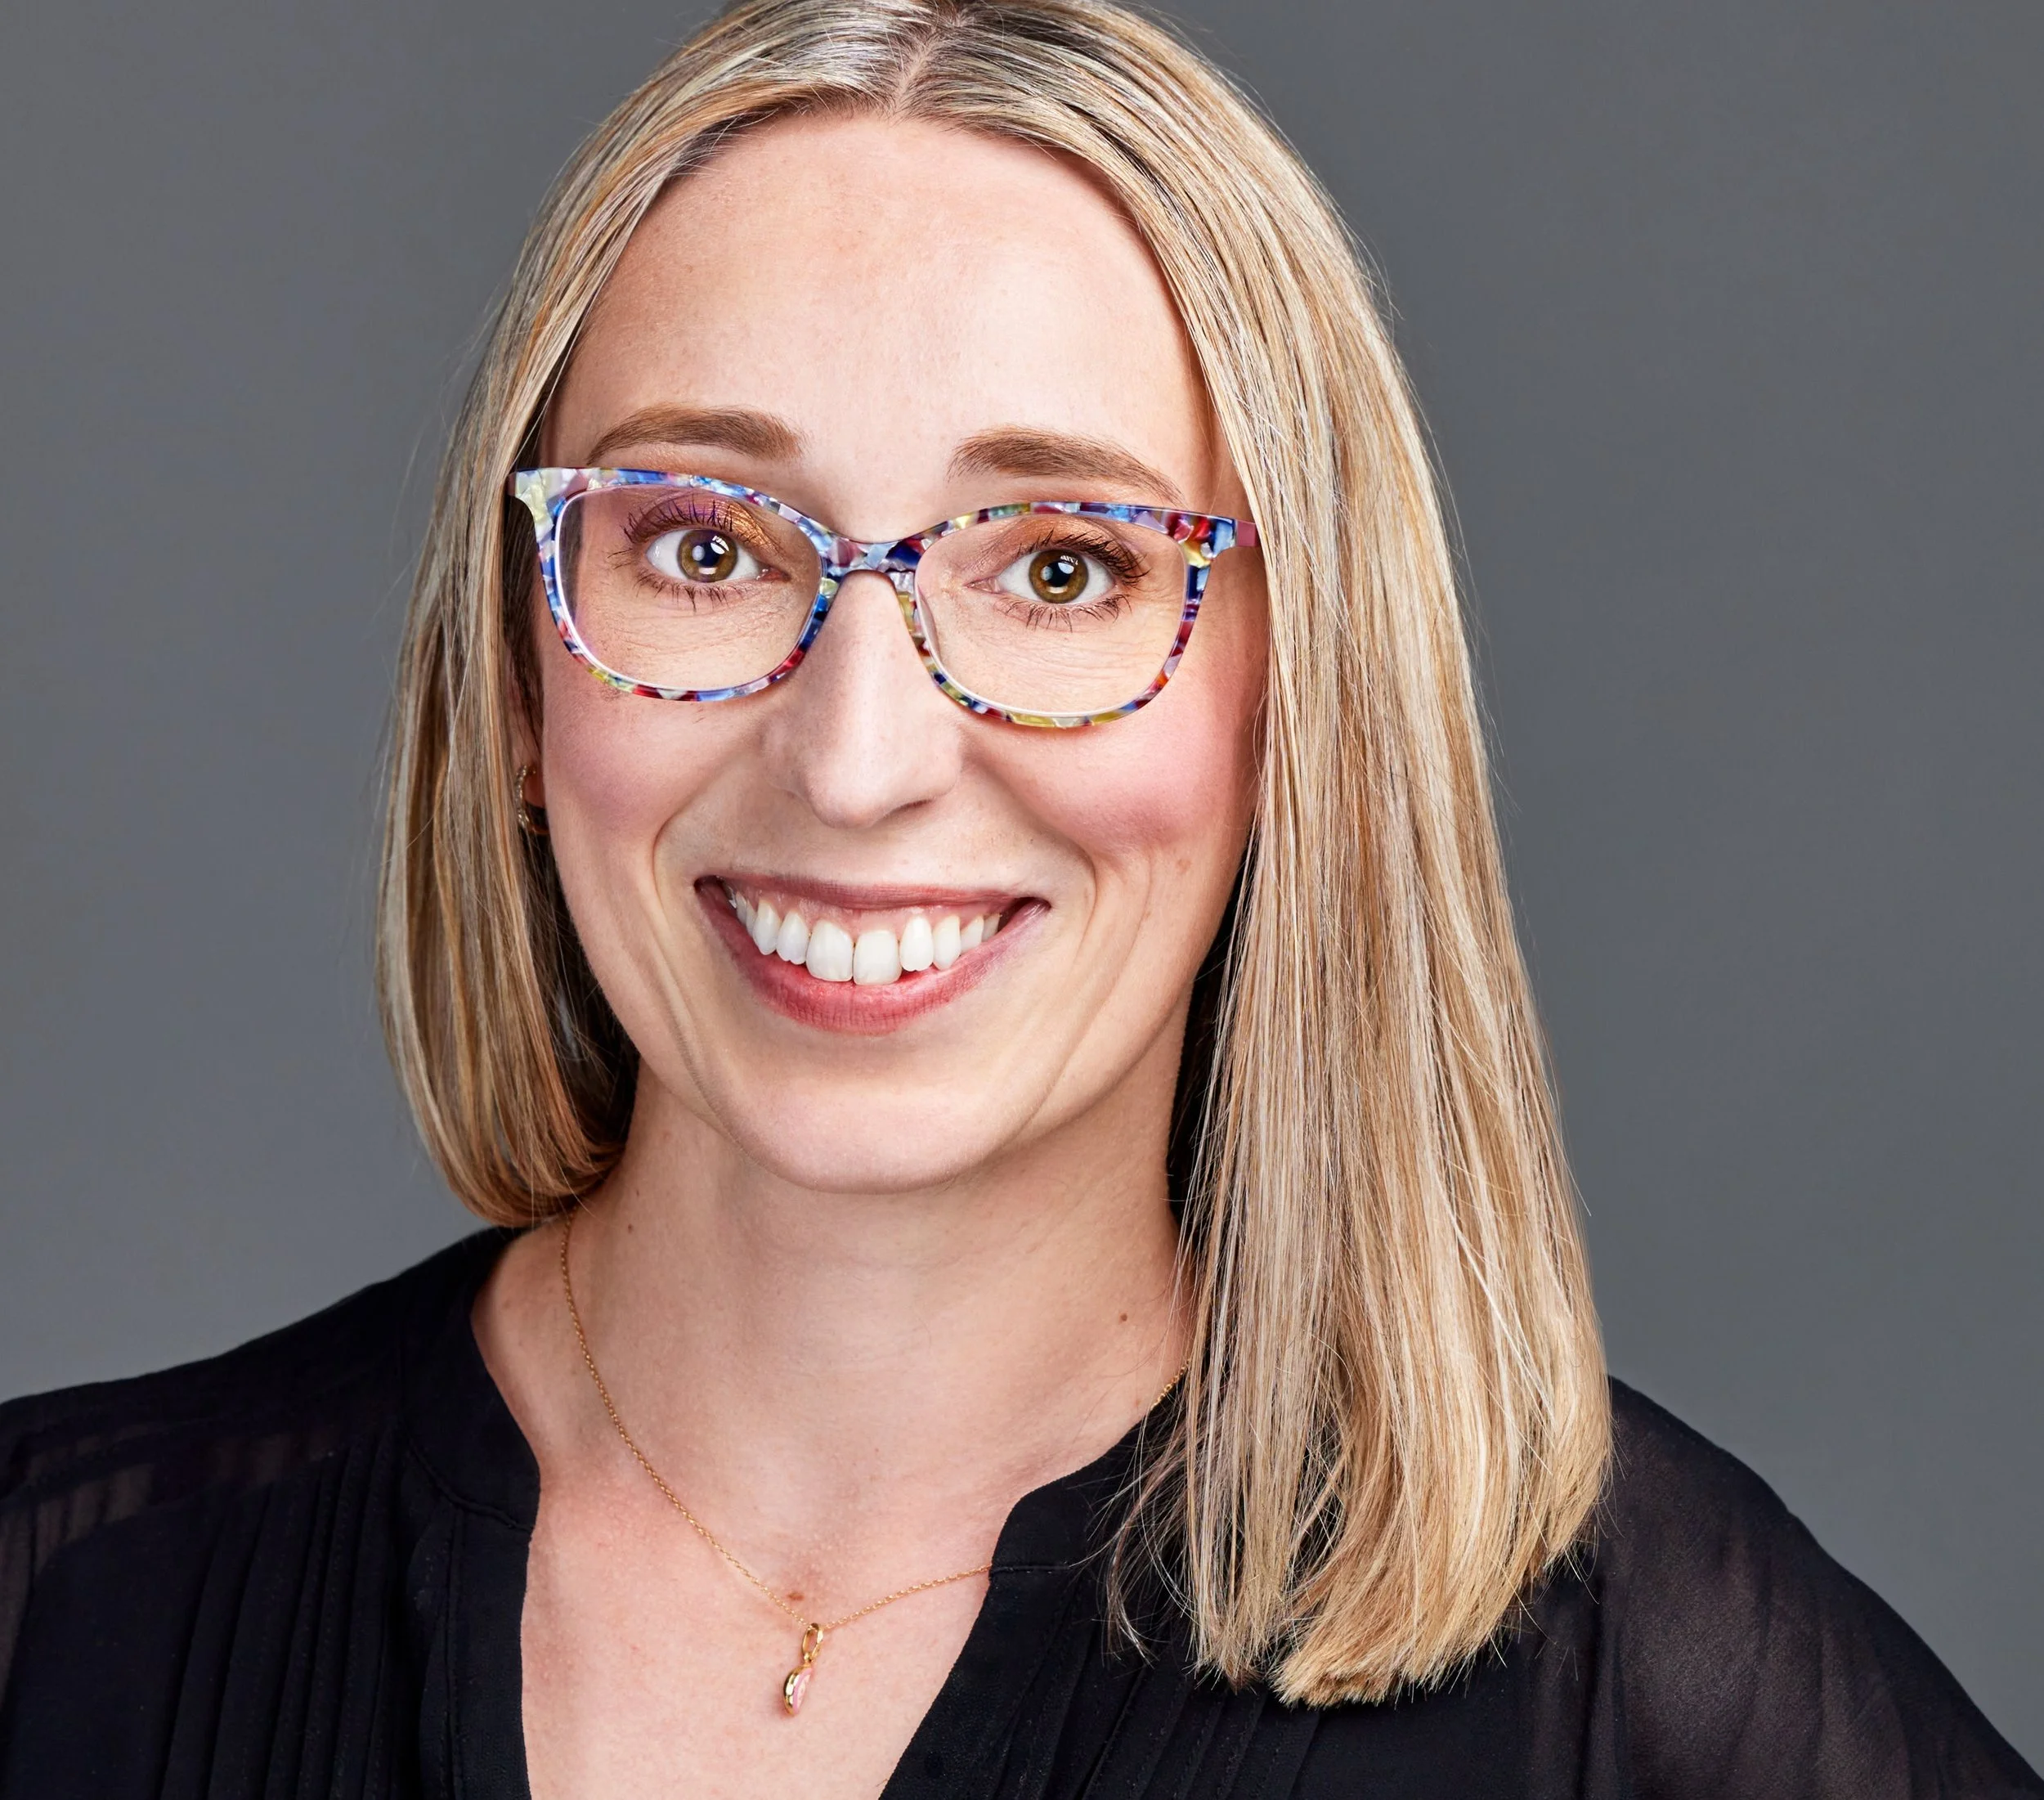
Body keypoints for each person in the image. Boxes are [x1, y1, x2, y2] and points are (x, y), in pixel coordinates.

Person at [0, 2, 2034, 1794]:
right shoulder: (58, 1611)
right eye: (706, 547)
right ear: (517, 678)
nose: (856, 755)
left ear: (1294, 709)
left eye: (1060, 566)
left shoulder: (1640, 1697)